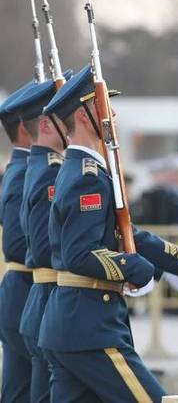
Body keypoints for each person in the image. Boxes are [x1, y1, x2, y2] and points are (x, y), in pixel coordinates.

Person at [38, 64, 178, 400]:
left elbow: (129, 235)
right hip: (91, 329)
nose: (114, 114)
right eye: (105, 105)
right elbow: (81, 253)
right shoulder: (86, 175)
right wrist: (136, 269)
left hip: (73, 327)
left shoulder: (85, 169)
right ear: (87, 116)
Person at [9, 73, 71, 403]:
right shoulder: (43, 171)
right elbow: (27, 245)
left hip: (35, 296)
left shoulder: (39, 168)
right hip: (38, 293)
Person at [0, 79, 38, 403]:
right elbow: (14, 243)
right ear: (25, 129)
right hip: (24, 292)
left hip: (23, 293)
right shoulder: (23, 173)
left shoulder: (26, 169)